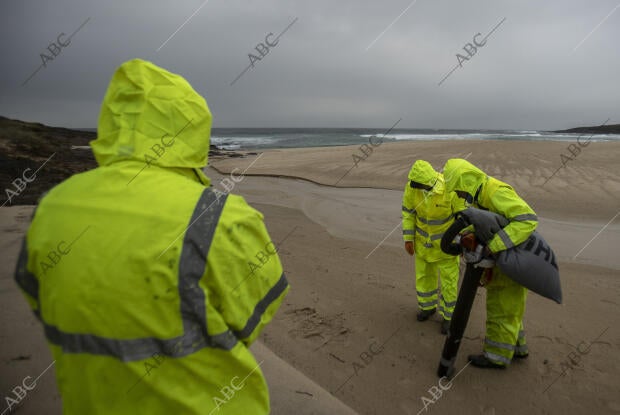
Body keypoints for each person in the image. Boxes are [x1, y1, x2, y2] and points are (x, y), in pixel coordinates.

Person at [14, 59, 289, 414]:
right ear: (193, 128)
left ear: (113, 121)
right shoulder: (220, 216)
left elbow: (36, 293)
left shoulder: (53, 205)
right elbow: (254, 315)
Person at [442, 158, 536, 369]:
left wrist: (494, 246)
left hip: (513, 260)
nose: (459, 195)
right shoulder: (481, 195)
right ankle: (518, 349)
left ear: (465, 181)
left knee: (500, 309)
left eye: (459, 190)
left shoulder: (494, 192)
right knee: (511, 309)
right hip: (510, 259)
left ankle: (496, 357)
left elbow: (528, 220)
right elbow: (492, 222)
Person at [402, 160, 462, 334]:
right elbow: (408, 212)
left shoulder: (448, 189)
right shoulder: (412, 187)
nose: (416, 187)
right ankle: (427, 307)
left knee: (449, 282)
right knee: (423, 277)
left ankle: (448, 316)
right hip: (422, 244)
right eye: (415, 184)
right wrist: (408, 239)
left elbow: (461, 218)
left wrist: (460, 244)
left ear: (429, 181)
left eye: (420, 184)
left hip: (446, 248)